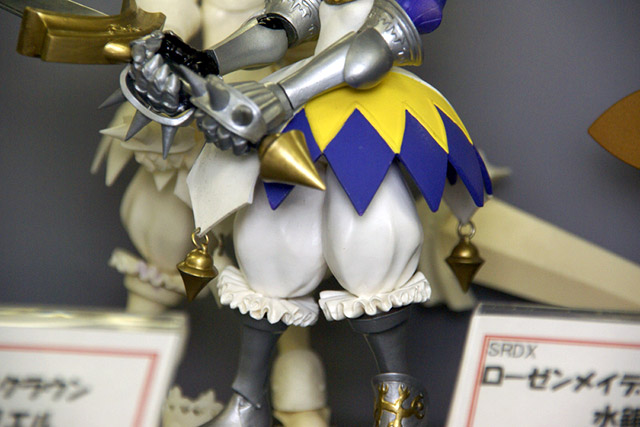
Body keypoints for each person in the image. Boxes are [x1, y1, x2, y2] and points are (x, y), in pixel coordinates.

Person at [125, 0, 491, 424]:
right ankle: (247, 403)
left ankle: (398, 412)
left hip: (365, 114)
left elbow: (372, 50)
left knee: (371, 245)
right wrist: (206, 62)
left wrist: (281, 95)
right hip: (304, 109)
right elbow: (281, 28)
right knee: (268, 246)